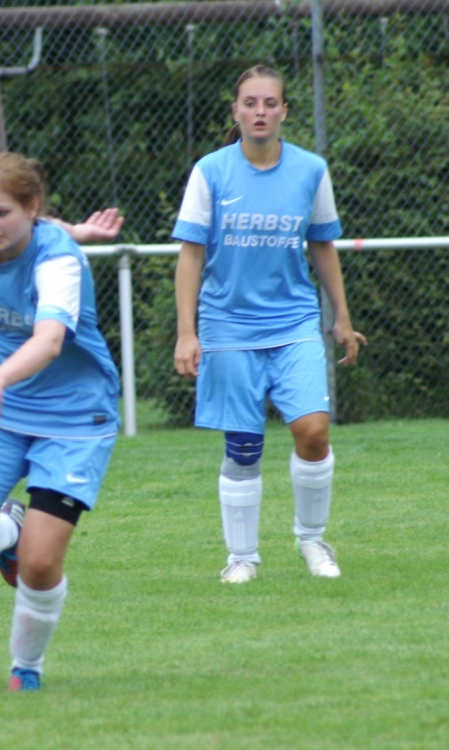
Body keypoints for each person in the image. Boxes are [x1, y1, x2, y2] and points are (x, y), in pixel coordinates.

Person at [0, 152, 122, 692]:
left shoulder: (60, 262)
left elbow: (50, 341)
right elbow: (35, 225)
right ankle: (11, 527)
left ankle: (26, 668)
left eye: (1, 213)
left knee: (39, 565)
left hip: (73, 415)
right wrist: (77, 228)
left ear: (31, 206)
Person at [171, 65, 367, 585]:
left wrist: (342, 318)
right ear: (235, 111)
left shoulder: (310, 170)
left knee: (313, 431)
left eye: (270, 103)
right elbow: (191, 256)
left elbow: (322, 245)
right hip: (228, 326)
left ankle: (312, 539)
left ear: (284, 111)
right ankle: (242, 558)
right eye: (250, 103)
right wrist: (187, 332)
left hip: (294, 321)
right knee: (244, 446)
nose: (260, 111)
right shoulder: (210, 171)